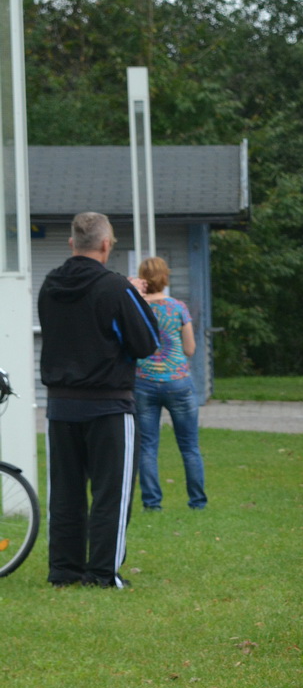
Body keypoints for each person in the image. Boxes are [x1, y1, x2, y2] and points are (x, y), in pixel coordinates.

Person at [40, 211, 160, 588]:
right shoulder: (115, 288)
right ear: (106, 245)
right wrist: (137, 299)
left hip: (60, 403)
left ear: (72, 243)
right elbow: (146, 342)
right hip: (108, 403)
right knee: (111, 493)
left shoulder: (49, 285)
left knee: (66, 491)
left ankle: (64, 571)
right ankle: (103, 574)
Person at [132, 257, 206, 513]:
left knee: (148, 447)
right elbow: (190, 348)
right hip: (178, 383)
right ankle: (197, 503)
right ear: (165, 277)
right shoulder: (178, 308)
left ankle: (152, 504)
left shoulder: (136, 308)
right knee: (189, 447)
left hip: (143, 383)